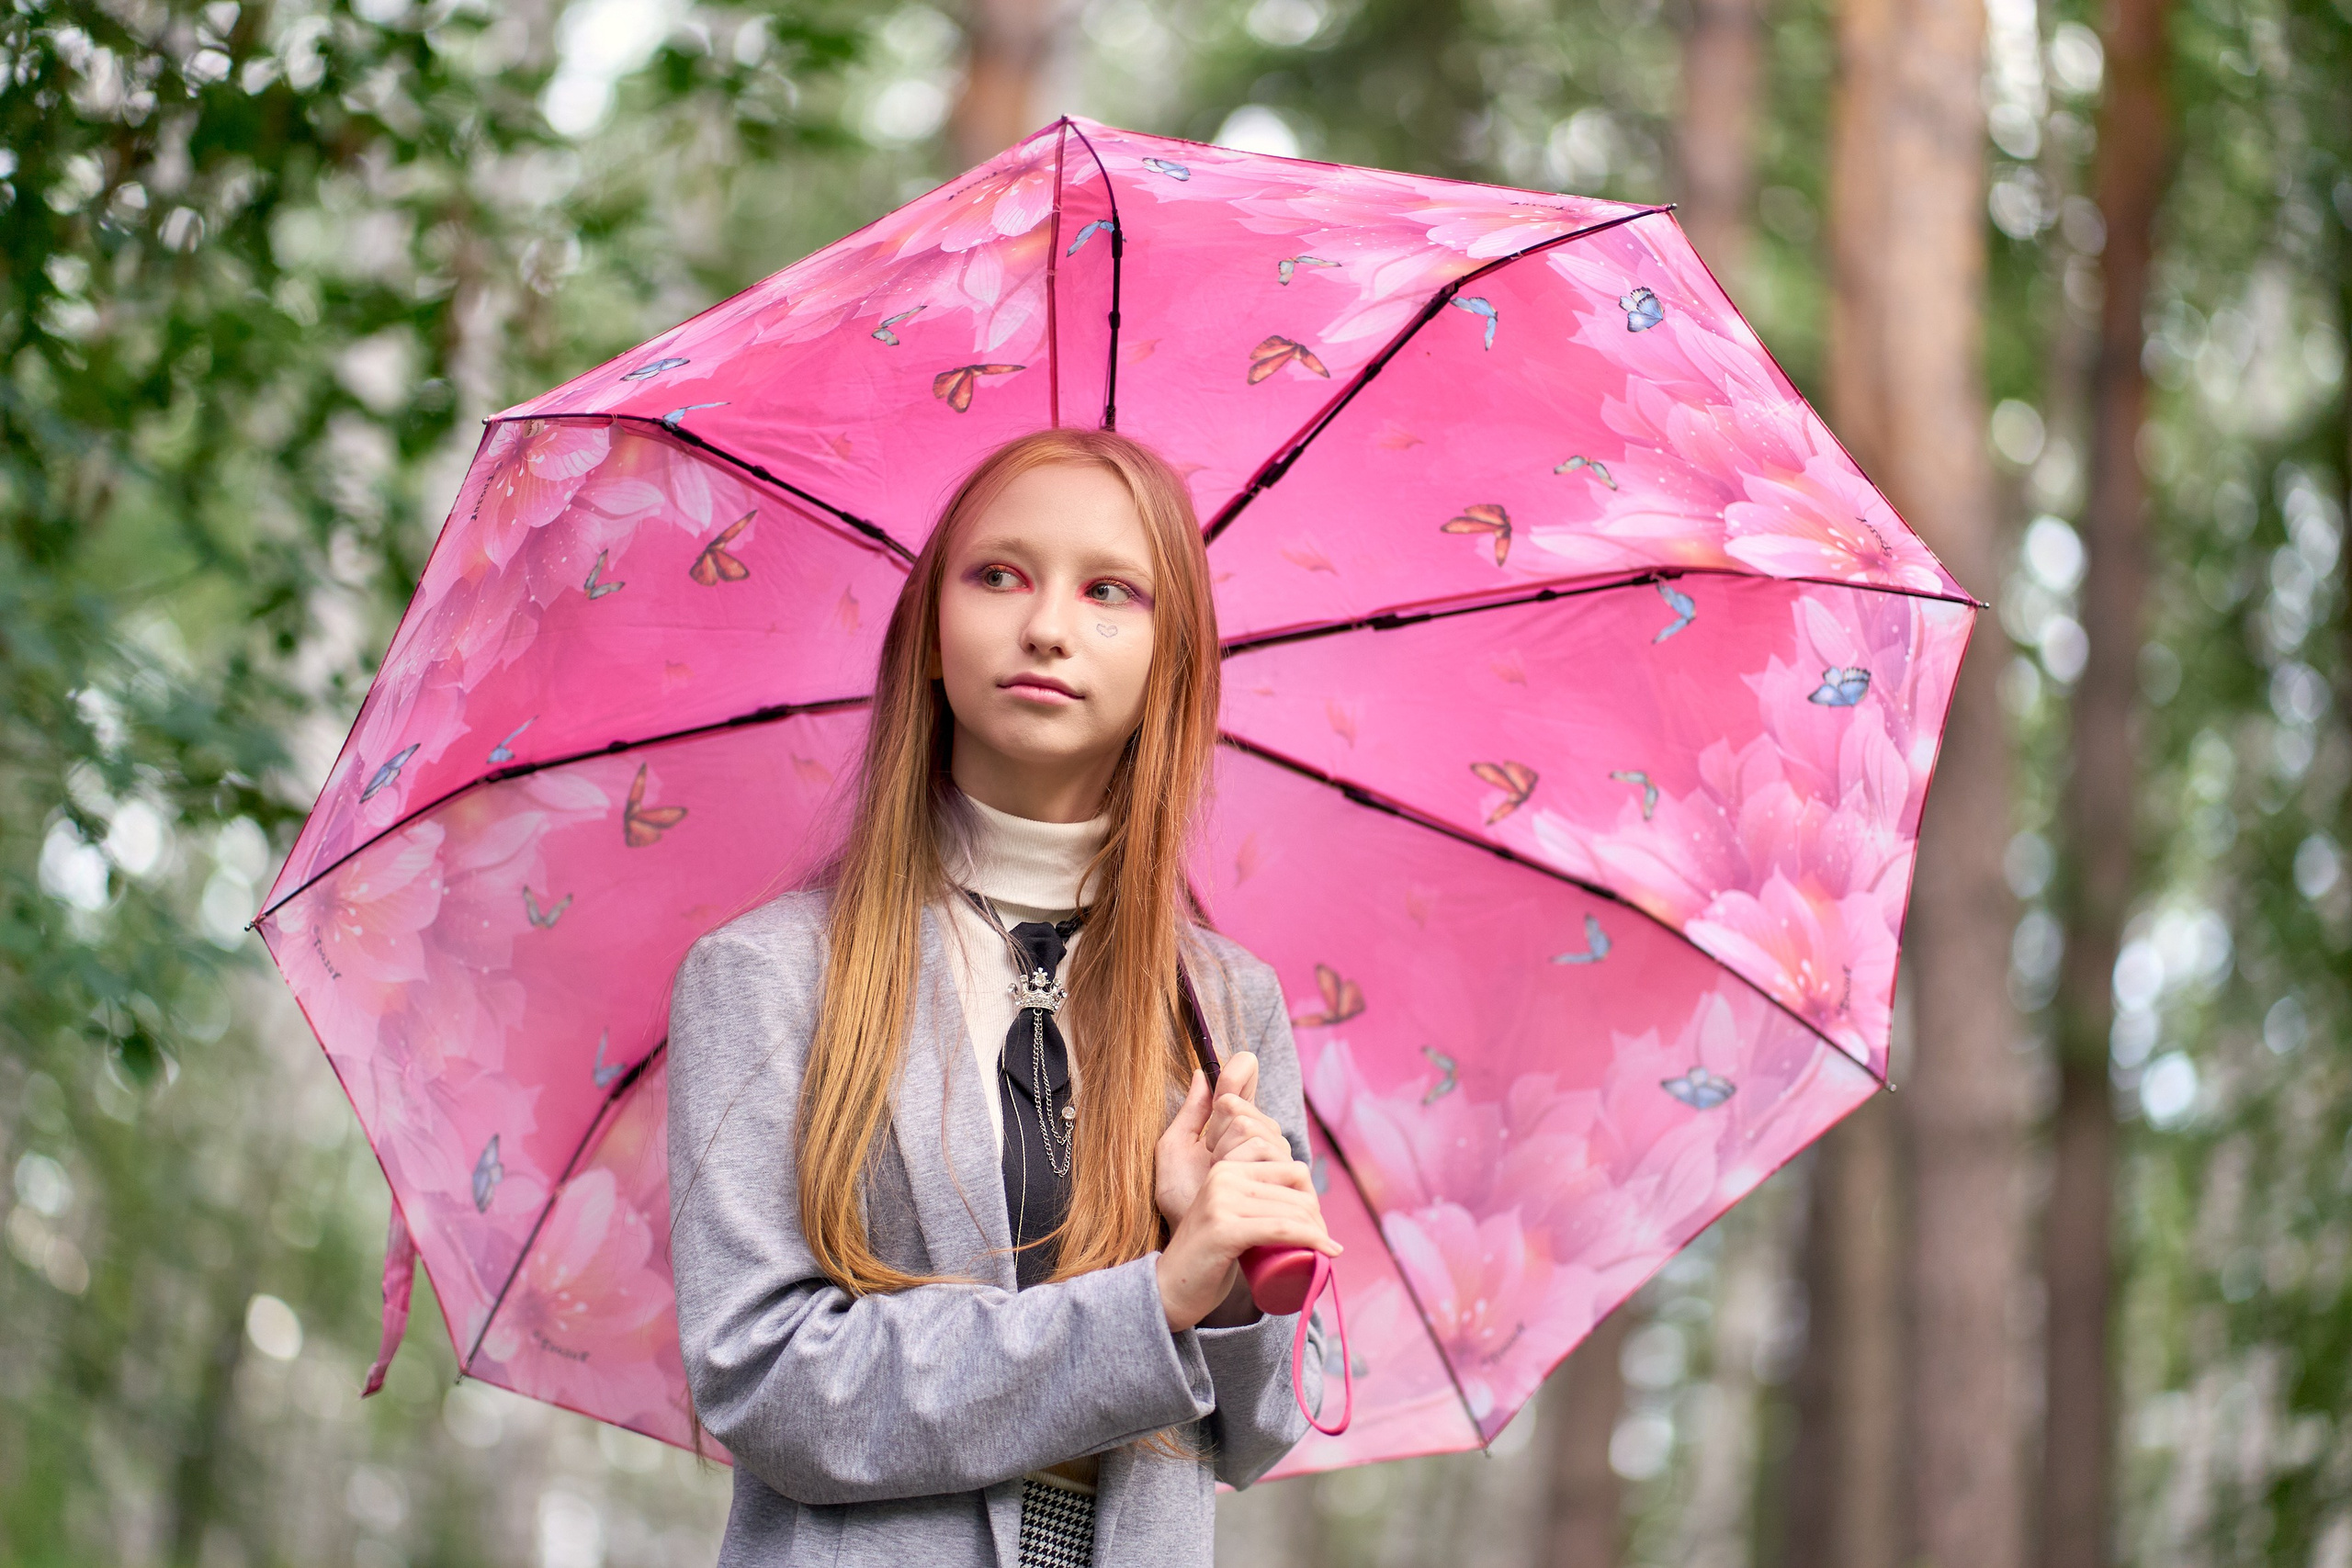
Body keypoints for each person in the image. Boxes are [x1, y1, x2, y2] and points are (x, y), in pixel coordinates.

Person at [666, 427, 1340, 1568]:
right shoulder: (769, 977)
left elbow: (1259, 1428)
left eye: (1110, 590)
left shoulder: (1223, 1005)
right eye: (997, 575)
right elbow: (765, 1381)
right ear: (929, 633)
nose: (1046, 625)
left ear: (1170, 664)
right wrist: (1153, 1297)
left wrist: (1222, 1279)